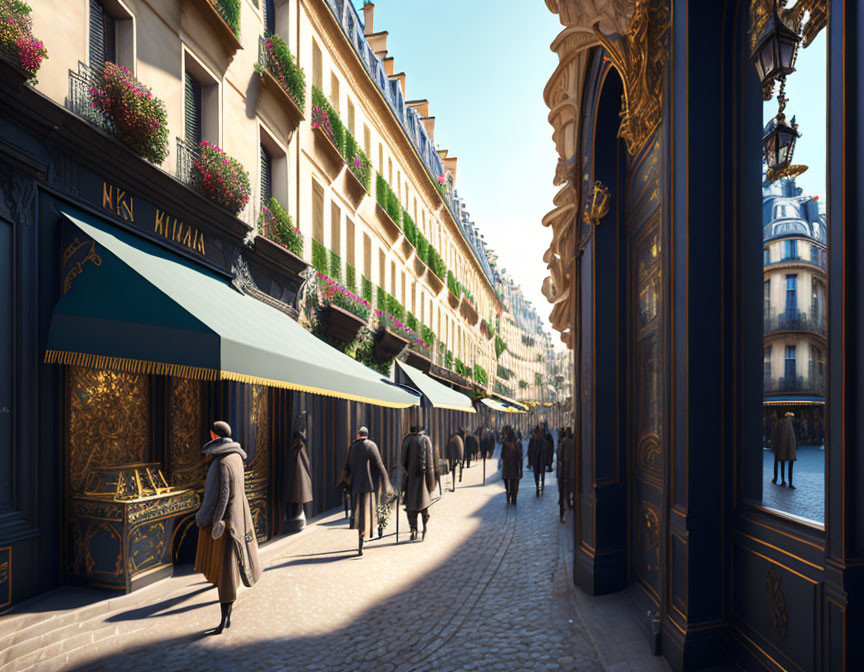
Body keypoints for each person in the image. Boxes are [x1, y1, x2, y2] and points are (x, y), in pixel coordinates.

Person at [195, 421, 262, 635]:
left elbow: (221, 496)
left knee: (224, 573)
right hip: (238, 519)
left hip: (225, 525)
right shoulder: (236, 457)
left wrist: (210, 520)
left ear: (214, 435)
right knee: (230, 569)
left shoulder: (221, 462)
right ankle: (228, 617)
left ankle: (224, 619)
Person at [340, 426, 394, 555]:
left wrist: (345, 484)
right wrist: (387, 484)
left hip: (355, 487)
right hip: (369, 487)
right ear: (367, 435)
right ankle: (365, 536)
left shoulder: (352, 447)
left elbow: (346, 468)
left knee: (357, 513)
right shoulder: (371, 445)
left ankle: (360, 537)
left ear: (358, 435)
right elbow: (380, 465)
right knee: (369, 513)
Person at [401, 425, 436, 541]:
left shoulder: (407, 440)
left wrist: (402, 482)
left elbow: (402, 462)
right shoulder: (426, 440)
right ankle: (424, 527)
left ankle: (414, 530)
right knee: (424, 505)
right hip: (424, 480)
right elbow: (431, 463)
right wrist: (432, 484)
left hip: (410, 479)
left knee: (411, 508)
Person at [283, 410, 313, 532]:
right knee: (297, 502)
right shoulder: (299, 445)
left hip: (295, 483)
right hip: (297, 483)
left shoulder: (297, 444)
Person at [771, 411, 798, 489]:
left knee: (782, 464)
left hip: (781, 447)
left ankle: (782, 480)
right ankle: (789, 483)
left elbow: (776, 435)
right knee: (789, 465)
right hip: (789, 447)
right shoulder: (788, 423)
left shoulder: (780, 423)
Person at [501, 426, 523, 505]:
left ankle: (508, 493)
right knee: (514, 484)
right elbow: (520, 458)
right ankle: (513, 498)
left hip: (506, 469)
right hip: (514, 469)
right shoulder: (517, 445)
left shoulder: (505, 445)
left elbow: (502, 456)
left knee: (507, 482)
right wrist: (521, 469)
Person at [557, 427, 575, 523]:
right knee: (570, 492)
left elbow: (560, 458)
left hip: (564, 473)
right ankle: (570, 506)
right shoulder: (574, 443)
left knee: (562, 493)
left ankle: (562, 514)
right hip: (572, 473)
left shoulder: (562, 444)